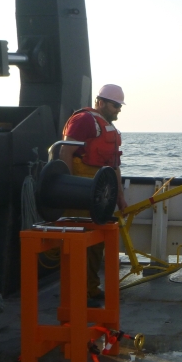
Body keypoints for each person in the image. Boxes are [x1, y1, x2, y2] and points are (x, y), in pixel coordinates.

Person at [58, 84, 128, 306]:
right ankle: (75, 292)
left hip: (102, 192)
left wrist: (119, 197)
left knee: (97, 240)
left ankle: (90, 287)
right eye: (115, 105)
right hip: (81, 189)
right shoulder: (84, 120)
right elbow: (65, 152)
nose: (118, 110)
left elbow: (114, 166)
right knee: (79, 240)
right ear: (101, 102)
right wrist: (68, 188)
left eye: (120, 106)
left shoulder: (109, 129)